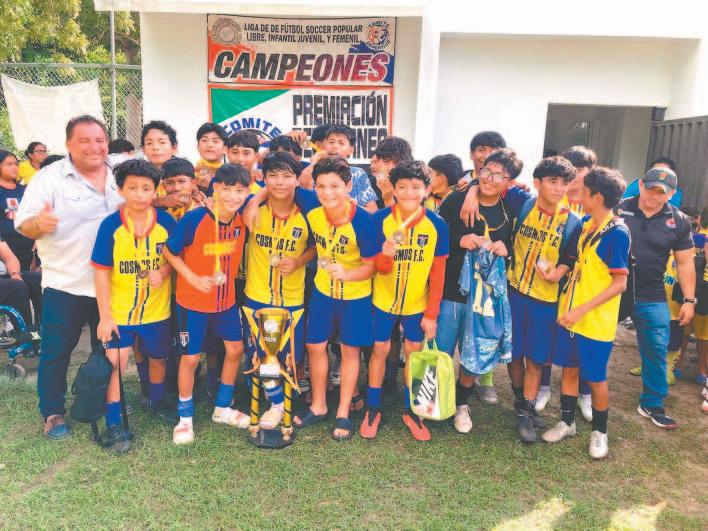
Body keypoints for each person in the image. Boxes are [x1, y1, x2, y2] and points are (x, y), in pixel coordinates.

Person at [15, 115, 124, 440]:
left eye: (99, 140)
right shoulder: (49, 179)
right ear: (69, 144)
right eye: (84, 140)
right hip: (67, 283)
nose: (94, 147)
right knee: (56, 352)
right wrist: (39, 225)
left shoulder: (119, 172)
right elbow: (25, 224)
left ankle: (103, 400)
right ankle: (52, 411)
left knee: (107, 349)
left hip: (112, 284)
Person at [543, 167, 630, 459]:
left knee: (595, 378)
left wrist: (581, 309)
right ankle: (567, 422)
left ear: (598, 197)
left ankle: (600, 432)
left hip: (594, 323)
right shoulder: (586, 224)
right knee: (569, 369)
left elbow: (619, 283)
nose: (578, 196)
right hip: (570, 317)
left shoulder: (617, 234)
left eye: (584, 191)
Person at [91, 159, 177, 453]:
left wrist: (163, 271)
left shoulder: (166, 223)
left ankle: (156, 401)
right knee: (115, 362)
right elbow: (101, 272)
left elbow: (177, 258)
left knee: (158, 358)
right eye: (133, 188)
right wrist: (105, 316)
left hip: (157, 310)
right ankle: (114, 421)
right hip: (120, 311)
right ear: (120, 190)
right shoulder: (111, 226)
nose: (140, 194)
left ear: (156, 190)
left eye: (146, 188)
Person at [163, 163, 251, 445]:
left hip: (226, 302)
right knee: (190, 359)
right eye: (227, 189)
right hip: (192, 302)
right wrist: (190, 276)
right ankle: (184, 418)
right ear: (216, 189)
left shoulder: (242, 220)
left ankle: (222, 408)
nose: (234, 196)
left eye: (240, 191)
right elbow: (169, 250)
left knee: (235, 350)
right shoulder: (195, 219)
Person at [292, 156, 378, 441]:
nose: (327, 192)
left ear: (349, 186)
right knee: (314, 346)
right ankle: (318, 405)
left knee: (350, 351)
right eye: (321, 186)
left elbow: (372, 266)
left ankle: (343, 412)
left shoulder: (363, 221)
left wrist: (348, 274)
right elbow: (281, 185)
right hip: (322, 292)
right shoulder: (314, 213)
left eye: (334, 186)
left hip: (355, 297)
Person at [362, 160, 449, 441]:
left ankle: (413, 411)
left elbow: (438, 274)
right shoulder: (379, 220)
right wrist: (385, 255)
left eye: (415, 187)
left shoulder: (437, 225)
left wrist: (432, 314)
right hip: (382, 301)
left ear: (427, 190)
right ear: (393, 189)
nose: (409, 193)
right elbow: (377, 268)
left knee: (414, 352)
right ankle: (372, 408)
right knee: (380, 349)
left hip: (416, 304)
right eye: (402, 187)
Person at [436, 148, 521, 433]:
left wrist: (506, 250)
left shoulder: (509, 213)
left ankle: (462, 403)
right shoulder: (456, 200)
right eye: (486, 170)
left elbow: (514, 249)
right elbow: (434, 233)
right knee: (442, 349)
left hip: (484, 299)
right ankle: (437, 399)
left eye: (498, 175)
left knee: (472, 355)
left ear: (509, 182)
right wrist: (459, 240)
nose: (489, 178)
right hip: (451, 291)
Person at [505, 157, 582, 443]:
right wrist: (472, 193)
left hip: (545, 301)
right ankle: (520, 401)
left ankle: (526, 412)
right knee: (513, 354)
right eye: (552, 181)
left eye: (564, 183)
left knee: (536, 359)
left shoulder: (573, 222)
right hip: (514, 293)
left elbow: (569, 260)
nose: (558, 188)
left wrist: (556, 274)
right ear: (538, 183)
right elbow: (489, 183)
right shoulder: (521, 203)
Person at [616, 167, 695, 430]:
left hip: (650, 294)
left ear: (671, 194)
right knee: (595, 341)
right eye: (650, 188)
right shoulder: (618, 208)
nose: (654, 195)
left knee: (656, 348)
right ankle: (584, 393)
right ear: (640, 185)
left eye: (662, 192)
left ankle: (652, 402)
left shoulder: (679, 221)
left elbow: (685, 263)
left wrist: (689, 300)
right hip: (613, 290)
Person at [242, 151, 316, 428]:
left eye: (287, 176)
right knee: (265, 353)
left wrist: (298, 261)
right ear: (263, 178)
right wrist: (253, 201)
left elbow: (316, 247)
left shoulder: (308, 214)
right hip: (258, 296)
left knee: (288, 356)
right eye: (273, 175)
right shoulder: (253, 209)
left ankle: (278, 393)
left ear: (297, 179)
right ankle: (276, 405)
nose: (280, 182)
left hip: (292, 298)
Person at [537, 145, 597, 419]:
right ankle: (543, 386)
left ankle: (584, 393)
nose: (574, 176)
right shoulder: (551, 197)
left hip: (583, 284)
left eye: (580, 169)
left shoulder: (596, 201)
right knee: (548, 334)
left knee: (581, 339)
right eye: (569, 169)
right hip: (551, 279)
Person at [457, 131, 507, 402]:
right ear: (472, 153)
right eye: (480, 149)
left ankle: (484, 379)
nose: (484, 155)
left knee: (486, 330)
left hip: (490, 284)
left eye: (492, 150)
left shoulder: (512, 194)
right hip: (459, 280)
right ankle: (449, 389)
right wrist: (471, 189)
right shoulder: (461, 186)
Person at [300, 125, 378, 212]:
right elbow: (305, 204)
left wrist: (350, 207)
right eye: (331, 142)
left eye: (341, 143)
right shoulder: (311, 171)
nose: (335, 146)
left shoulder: (358, 174)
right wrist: (311, 167)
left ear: (351, 150)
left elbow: (373, 210)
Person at [0, 150, 35, 270]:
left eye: (16, 164)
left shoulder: (25, 190)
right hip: (4, 251)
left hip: (28, 249)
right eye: (9, 164)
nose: (14, 167)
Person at [0, 236, 41, 327]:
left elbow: (10, 258)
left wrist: (15, 274)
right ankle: (22, 331)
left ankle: (44, 327)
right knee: (17, 287)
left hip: (4, 276)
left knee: (37, 280)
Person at [369, 136, 413, 209]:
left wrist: (388, 199)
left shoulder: (412, 188)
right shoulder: (368, 186)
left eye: (397, 163)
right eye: (386, 161)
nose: (392, 167)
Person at [194, 123, 227, 192]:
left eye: (215, 141)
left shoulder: (232, 175)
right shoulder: (188, 175)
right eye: (204, 140)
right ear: (198, 147)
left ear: (225, 149)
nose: (209, 145)